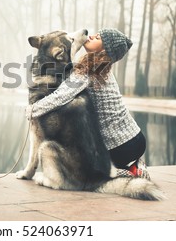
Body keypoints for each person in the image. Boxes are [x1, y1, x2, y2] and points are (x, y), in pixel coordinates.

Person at [25, 28, 150, 179]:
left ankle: (129, 172)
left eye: (98, 38)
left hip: (119, 146)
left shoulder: (90, 70)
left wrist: (34, 109)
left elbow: (61, 96)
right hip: (136, 139)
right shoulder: (103, 68)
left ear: (105, 49)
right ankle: (132, 165)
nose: (91, 37)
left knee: (87, 167)